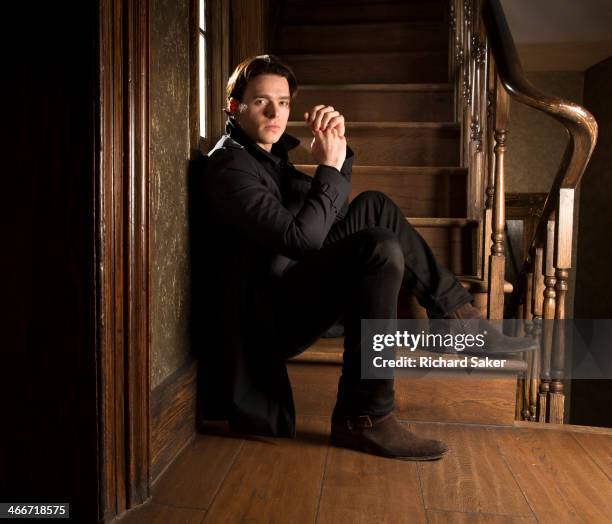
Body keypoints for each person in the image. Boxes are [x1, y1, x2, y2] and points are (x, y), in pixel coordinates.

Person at [197, 54, 535, 461]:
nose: (276, 112)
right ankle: (366, 415)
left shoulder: (260, 154)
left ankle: (460, 319)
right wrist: (329, 167)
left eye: (284, 102)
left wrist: (337, 154)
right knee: (377, 246)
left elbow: (330, 218)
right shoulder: (230, 165)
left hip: (286, 284)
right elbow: (303, 239)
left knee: (375, 206)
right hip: (263, 319)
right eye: (261, 102)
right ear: (234, 107)